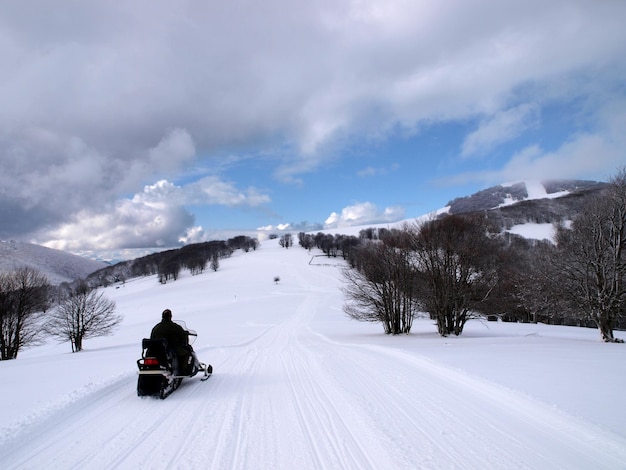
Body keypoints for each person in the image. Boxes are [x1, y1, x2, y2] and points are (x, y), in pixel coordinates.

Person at [151, 309, 192, 375]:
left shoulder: (156, 327)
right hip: (172, 348)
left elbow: (152, 337)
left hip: (157, 349)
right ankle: (183, 370)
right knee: (186, 354)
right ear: (170, 316)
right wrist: (185, 335)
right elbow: (182, 336)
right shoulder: (174, 327)